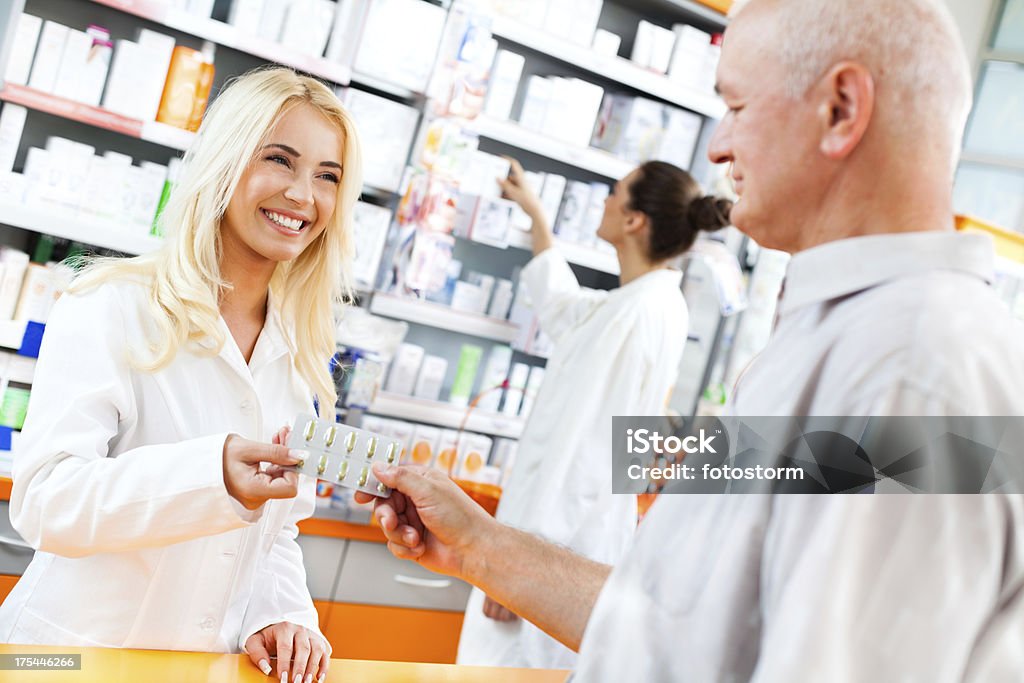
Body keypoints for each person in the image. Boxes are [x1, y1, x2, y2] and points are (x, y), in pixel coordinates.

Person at [359, 0, 1024, 679]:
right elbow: (682, 627)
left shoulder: (920, 374)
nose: (717, 148)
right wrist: (484, 547)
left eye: (736, 106)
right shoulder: (825, 345)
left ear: (841, 109)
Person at [0, 67, 363, 683]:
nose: (304, 196)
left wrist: (281, 614)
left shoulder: (300, 351)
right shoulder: (112, 304)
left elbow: (274, 534)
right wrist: (210, 472)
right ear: (225, 162)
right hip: (60, 663)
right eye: (280, 160)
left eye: (327, 176)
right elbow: (45, 501)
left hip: (197, 668)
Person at [455, 159, 730, 669]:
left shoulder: (637, 313)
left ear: (634, 221)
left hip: (555, 556)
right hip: (568, 548)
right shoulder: (643, 303)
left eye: (616, 191)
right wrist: (536, 214)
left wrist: (519, 562)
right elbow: (564, 308)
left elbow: (578, 452)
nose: (604, 199)